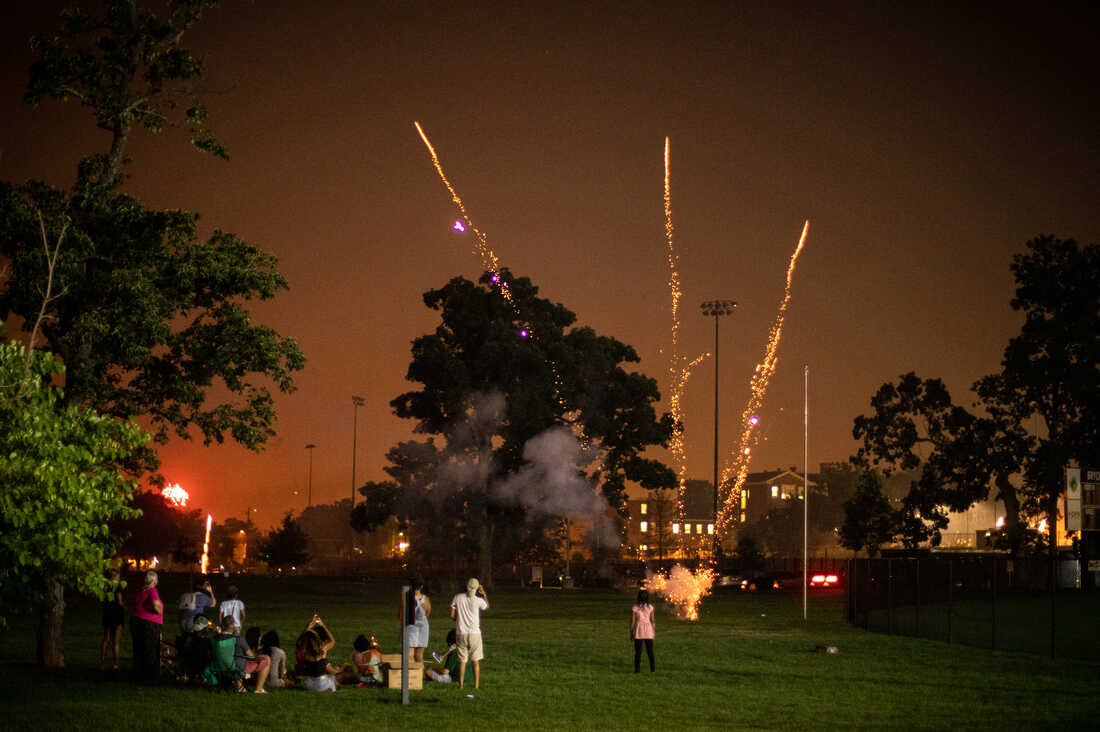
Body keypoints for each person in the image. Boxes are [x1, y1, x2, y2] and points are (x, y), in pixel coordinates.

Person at [296, 614, 355, 691]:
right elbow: (332, 641)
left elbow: (299, 641)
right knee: (332, 676)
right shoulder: (322, 652)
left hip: (309, 684)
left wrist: (309, 626)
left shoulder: (305, 654)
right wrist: (322, 625)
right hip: (322, 684)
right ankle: (337, 688)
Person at [450, 577, 489, 689]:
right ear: (477, 588)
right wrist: (484, 594)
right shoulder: (478, 600)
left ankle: (461, 685)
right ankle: (476, 686)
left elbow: (452, 615)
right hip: (475, 634)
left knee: (462, 661)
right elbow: (486, 607)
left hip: (461, 633)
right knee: (475, 661)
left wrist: (458, 620)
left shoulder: (457, 597)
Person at [130, 570, 164, 682]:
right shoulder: (152, 590)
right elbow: (155, 606)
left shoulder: (141, 591)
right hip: (149, 623)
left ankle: (138, 674)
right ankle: (150, 677)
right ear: (154, 581)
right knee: (150, 649)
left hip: (136, 621)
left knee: (138, 649)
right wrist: (158, 611)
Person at [220, 619, 270, 693]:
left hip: (221, 666)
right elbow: (252, 657)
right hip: (238, 667)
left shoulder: (216, 640)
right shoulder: (238, 639)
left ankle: (239, 685)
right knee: (266, 659)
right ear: (233, 626)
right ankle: (259, 689)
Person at [100, 568, 125, 671]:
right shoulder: (117, 587)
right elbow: (119, 601)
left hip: (107, 613)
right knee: (116, 641)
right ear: (115, 576)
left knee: (105, 639)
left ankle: (102, 663)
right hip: (117, 614)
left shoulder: (105, 587)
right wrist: (124, 606)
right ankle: (115, 664)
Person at [404, 579, 431, 664]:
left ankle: (410, 675)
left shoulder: (408, 598)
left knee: (410, 654)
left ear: (411, 586)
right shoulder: (426, 599)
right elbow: (428, 613)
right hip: (423, 627)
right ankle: (420, 675)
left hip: (411, 626)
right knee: (419, 655)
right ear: (421, 586)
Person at [631, 588, 655, 673]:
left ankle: (637, 670)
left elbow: (633, 622)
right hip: (648, 630)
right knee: (650, 651)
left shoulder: (635, 608)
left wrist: (631, 632)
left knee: (638, 652)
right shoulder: (650, 607)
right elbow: (652, 621)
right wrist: (653, 632)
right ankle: (652, 669)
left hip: (639, 630)